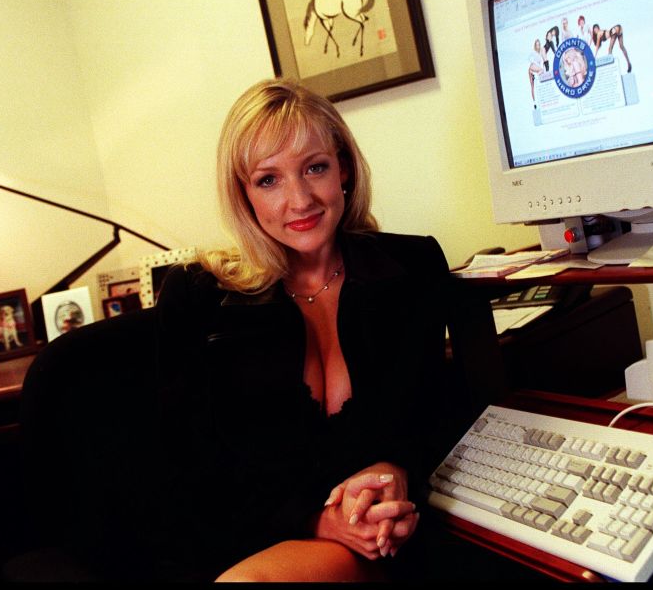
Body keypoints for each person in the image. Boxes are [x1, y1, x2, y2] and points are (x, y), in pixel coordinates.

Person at [152, 78, 452, 581]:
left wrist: (394, 471)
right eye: (268, 180)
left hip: (392, 533)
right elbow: (188, 473)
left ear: (344, 171)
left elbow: (433, 415)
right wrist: (318, 521)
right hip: (251, 538)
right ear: (243, 194)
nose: (300, 200)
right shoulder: (197, 297)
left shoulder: (411, 268)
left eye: (315, 168)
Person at [528, 38, 547, 106]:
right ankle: (534, 102)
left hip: (535, 70)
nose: (538, 46)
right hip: (532, 68)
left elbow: (543, 63)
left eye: (539, 45)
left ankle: (537, 102)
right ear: (535, 46)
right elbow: (529, 59)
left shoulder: (541, 53)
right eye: (536, 45)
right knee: (532, 86)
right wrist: (535, 63)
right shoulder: (533, 52)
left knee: (542, 71)